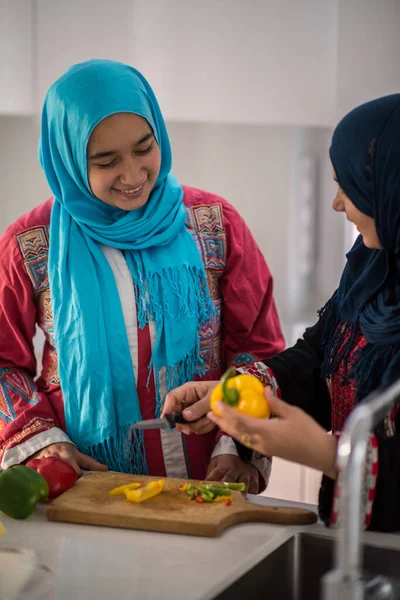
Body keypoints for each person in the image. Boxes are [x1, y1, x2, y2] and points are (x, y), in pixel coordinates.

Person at [0, 59, 285, 493]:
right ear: (69, 159)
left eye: (143, 148)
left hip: (210, 480)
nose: (133, 176)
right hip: (84, 488)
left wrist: (239, 444)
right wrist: (40, 440)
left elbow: (259, 351)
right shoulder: (30, 244)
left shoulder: (215, 223)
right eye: (106, 161)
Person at [163, 94, 400, 531]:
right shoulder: (374, 269)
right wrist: (237, 388)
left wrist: (325, 455)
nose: (336, 203)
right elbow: (317, 360)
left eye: (351, 185)